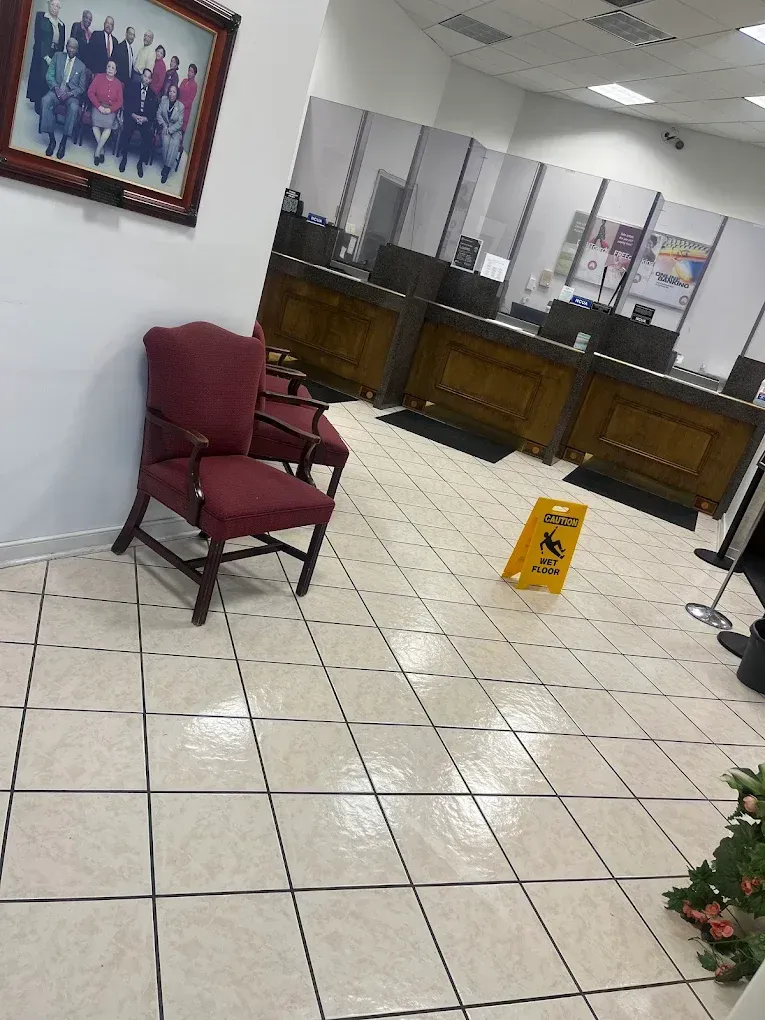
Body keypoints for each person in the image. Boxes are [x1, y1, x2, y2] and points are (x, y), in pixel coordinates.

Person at [40, 36, 87, 159]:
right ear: (66, 46)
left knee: (74, 108)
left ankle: (63, 142)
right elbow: (49, 75)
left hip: (70, 95)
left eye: (74, 48)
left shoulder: (81, 66)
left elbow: (81, 88)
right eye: (70, 47)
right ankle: (52, 140)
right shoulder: (57, 56)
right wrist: (56, 89)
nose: (71, 50)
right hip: (56, 90)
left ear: (77, 50)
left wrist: (70, 94)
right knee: (45, 100)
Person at [27, 0, 66, 115]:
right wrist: (45, 56)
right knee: (40, 78)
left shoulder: (61, 24)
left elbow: (61, 43)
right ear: (49, 5)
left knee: (49, 79)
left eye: (57, 6)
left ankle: (45, 104)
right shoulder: (42, 18)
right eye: (52, 4)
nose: (54, 7)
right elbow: (39, 38)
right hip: (42, 53)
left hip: (54, 53)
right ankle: (38, 104)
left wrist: (57, 59)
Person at [118, 66, 157, 178]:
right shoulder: (132, 87)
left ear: (150, 80)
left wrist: (145, 119)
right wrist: (134, 115)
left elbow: (153, 112)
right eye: (145, 76)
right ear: (141, 76)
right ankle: (124, 157)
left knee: (148, 136)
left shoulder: (152, 94)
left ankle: (140, 162)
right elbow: (126, 104)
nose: (146, 79)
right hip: (132, 116)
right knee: (127, 130)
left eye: (148, 78)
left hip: (144, 120)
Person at [87, 57, 122, 165]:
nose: (110, 69)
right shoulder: (98, 77)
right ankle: (101, 150)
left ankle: (97, 151)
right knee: (95, 124)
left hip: (110, 109)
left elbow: (120, 102)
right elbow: (90, 92)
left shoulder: (118, 84)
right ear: (106, 68)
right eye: (108, 66)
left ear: (116, 71)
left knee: (108, 126)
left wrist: (110, 109)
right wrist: (99, 106)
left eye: (113, 68)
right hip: (98, 105)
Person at [156, 83, 183, 184]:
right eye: (170, 91)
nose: (171, 94)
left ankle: (166, 168)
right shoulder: (164, 100)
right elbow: (158, 114)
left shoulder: (181, 106)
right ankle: (166, 164)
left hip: (175, 130)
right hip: (164, 127)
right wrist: (164, 126)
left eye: (174, 92)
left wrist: (170, 130)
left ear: (177, 94)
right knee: (166, 141)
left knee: (175, 143)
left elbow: (179, 123)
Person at [178, 63, 197, 135]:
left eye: (192, 72)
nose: (189, 73)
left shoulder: (194, 85)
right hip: (177, 108)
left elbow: (189, 102)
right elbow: (178, 92)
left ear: (194, 74)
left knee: (179, 133)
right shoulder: (184, 80)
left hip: (185, 111)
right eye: (189, 70)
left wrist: (180, 104)